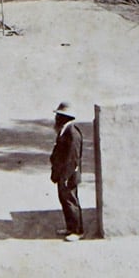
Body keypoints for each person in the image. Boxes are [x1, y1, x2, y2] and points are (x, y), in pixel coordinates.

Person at [50, 101, 84, 241]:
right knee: (65, 200)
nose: (56, 118)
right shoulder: (64, 131)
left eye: (59, 115)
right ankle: (70, 228)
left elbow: (73, 158)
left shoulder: (72, 133)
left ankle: (77, 230)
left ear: (66, 118)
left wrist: (65, 176)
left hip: (68, 175)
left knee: (71, 201)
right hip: (62, 174)